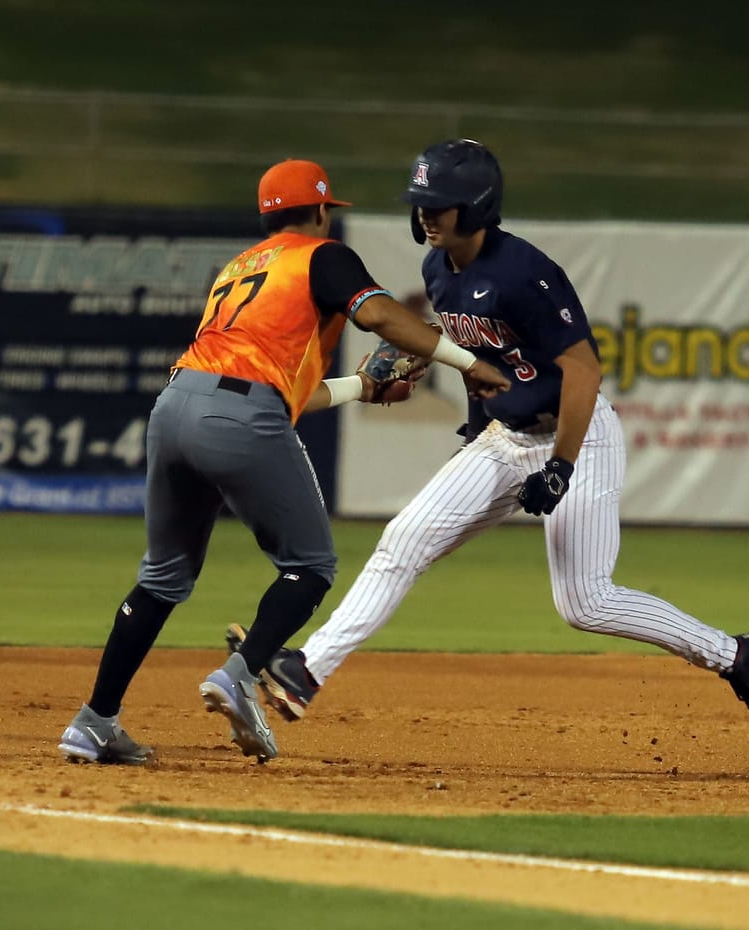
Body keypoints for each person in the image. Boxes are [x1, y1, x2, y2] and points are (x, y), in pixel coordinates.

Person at [239, 139, 749, 741]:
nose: (424, 214)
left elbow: (582, 370)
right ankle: (307, 670)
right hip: (501, 440)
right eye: (420, 202)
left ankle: (737, 657)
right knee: (404, 540)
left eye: (438, 204)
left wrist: (561, 466)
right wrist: (476, 429)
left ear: (475, 207)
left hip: (575, 435)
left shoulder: (525, 272)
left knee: (584, 602)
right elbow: (481, 358)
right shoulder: (436, 270)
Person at [58, 158, 510, 765]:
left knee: (162, 578)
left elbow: (278, 387)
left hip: (174, 406)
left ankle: (93, 722)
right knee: (311, 566)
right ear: (322, 211)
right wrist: (467, 361)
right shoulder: (321, 256)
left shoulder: (240, 267)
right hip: (240, 415)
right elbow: (376, 316)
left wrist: (360, 386)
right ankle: (239, 675)